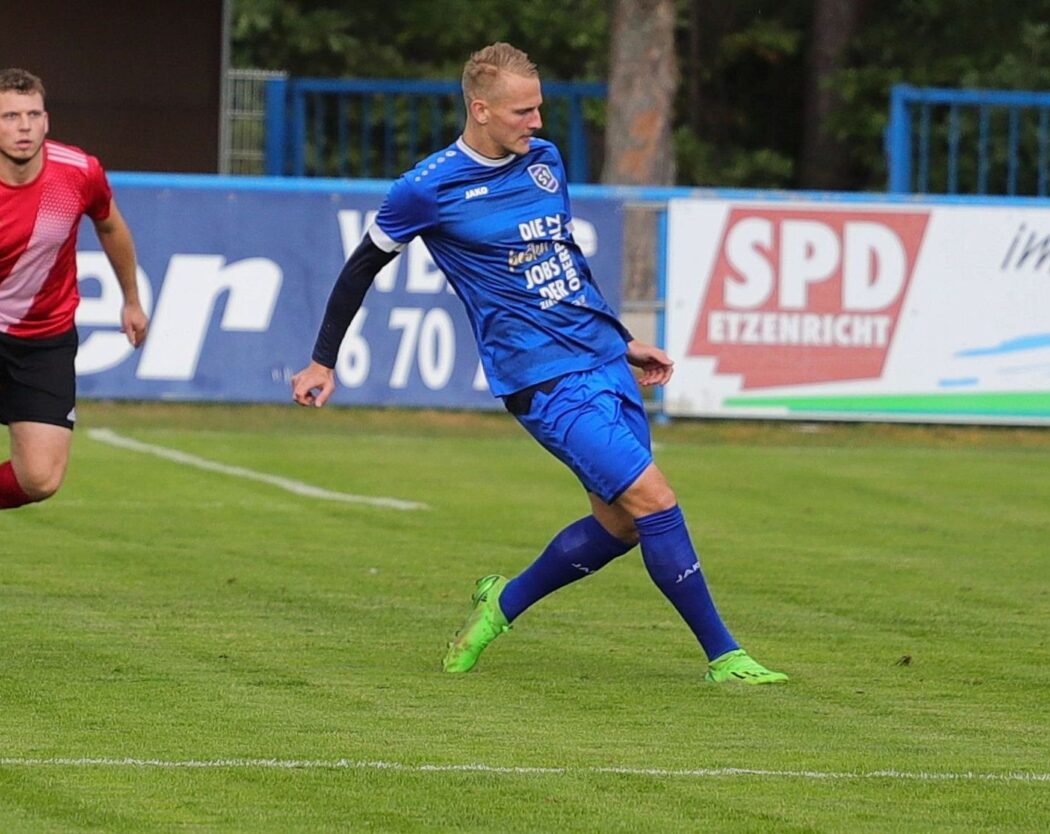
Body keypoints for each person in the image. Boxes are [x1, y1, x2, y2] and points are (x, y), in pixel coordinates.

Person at [291, 43, 786, 685]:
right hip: (542, 379)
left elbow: (563, 262)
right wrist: (322, 361)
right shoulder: (425, 188)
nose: (538, 123)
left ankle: (502, 603)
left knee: (622, 524)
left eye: (539, 108)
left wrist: (621, 338)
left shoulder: (544, 162)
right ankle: (726, 657)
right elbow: (361, 266)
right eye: (524, 111)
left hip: (601, 357)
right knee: (655, 500)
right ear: (482, 110)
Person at [0, 69, 148, 524]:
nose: (23, 126)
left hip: (47, 335)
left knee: (40, 478)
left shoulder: (78, 172)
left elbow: (110, 225)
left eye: (33, 115)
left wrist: (131, 298)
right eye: (11, 115)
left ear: (47, 120)